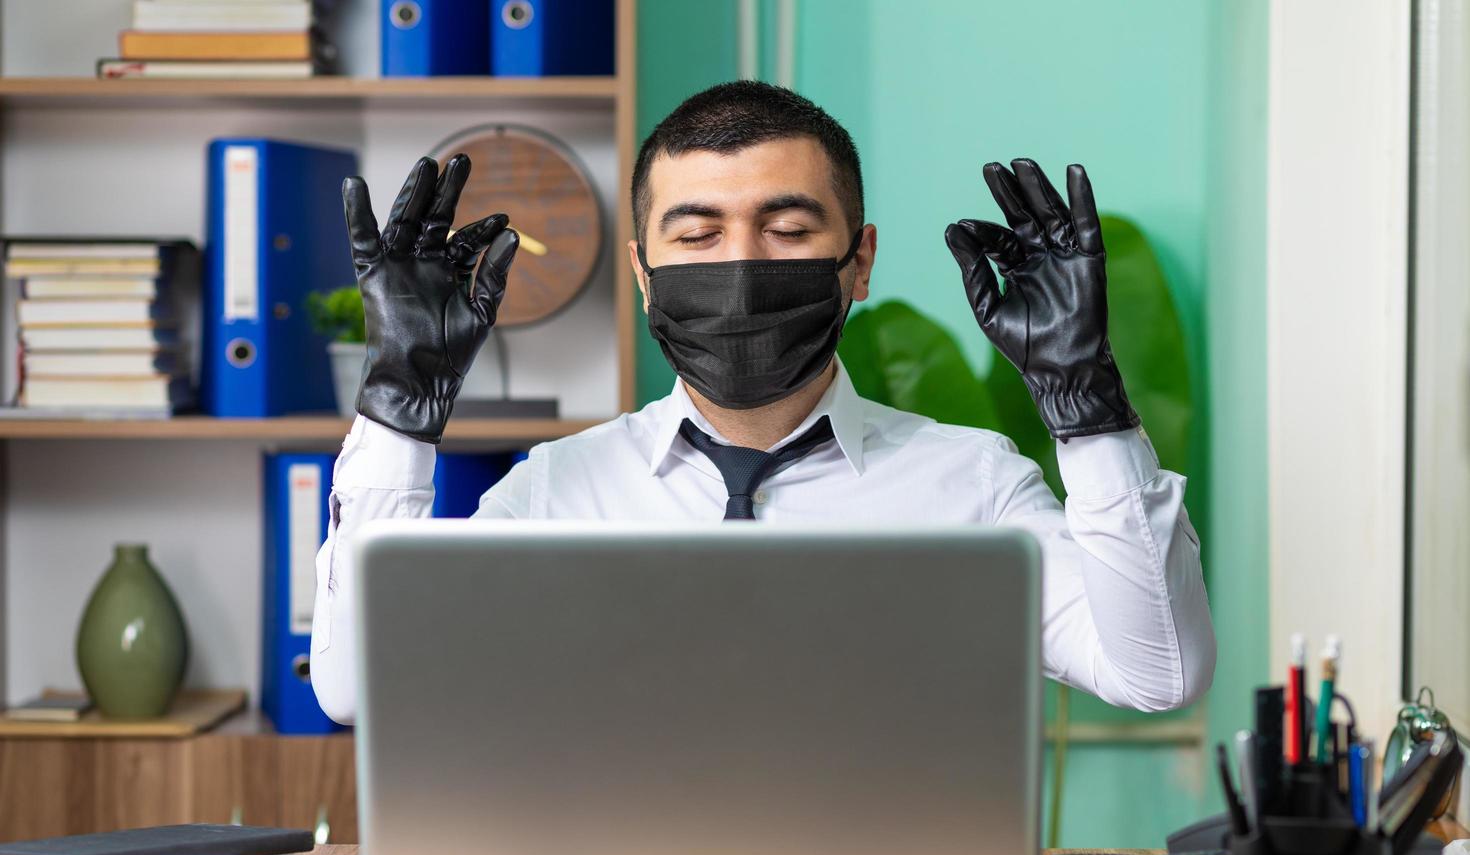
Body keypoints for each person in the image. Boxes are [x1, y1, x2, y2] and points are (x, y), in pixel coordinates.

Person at [309, 80, 1215, 724]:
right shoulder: (555, 492)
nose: (739, 271)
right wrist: (397, 406)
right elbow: (357, 688)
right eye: (696, 234)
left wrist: (1086, 402)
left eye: (786, 231)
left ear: (857, 260)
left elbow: (1157, 674)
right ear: (642, 271)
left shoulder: (973, 484)